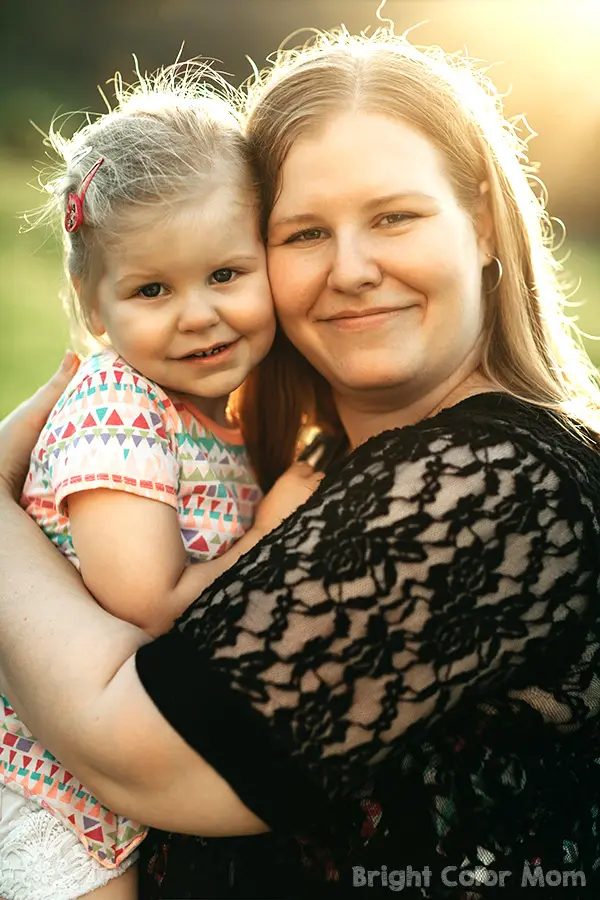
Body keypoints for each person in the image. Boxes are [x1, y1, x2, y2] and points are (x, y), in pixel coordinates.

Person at [1, 25, 600, 900]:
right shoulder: (316, 463)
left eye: (395, 216)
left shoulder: (498, 482)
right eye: (306, 232)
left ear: (480, 226)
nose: (352, 269)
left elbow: (132, 752)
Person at [0, 66, 321, 900]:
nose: (197, 314)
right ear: (93, 305)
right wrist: (267, 535)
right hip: (39, 789)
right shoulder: (119, 407)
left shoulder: (224, 415)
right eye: (152, 289)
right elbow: (144, 606)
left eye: (225, 274)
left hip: (106, 776)